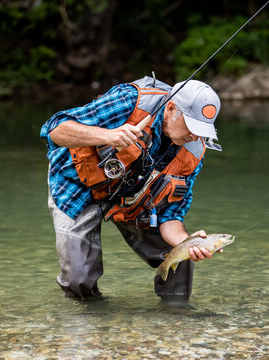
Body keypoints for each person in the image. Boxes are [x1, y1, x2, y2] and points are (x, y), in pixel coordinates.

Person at [40, 76, 222, 300]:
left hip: (133, 197)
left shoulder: (193, 149)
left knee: (180, 259)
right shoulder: (131, 102)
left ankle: (176, 326)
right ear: (172, 109)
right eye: (192, 126)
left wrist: (188, 242)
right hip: (78, 185)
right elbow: (53, 129)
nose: (195, 136)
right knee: (79, 280)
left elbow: (170, 214)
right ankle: (91, 326)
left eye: (202, 130)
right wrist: (108, 135)